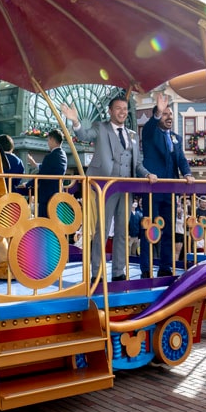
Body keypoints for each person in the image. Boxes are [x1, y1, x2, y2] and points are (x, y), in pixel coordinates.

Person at [61, 97, 156, 281]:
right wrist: (75, 121)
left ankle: (119, 272)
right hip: (106, 187)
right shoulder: (101, 127)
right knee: (102, 231)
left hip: (126, 188)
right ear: (110, 111)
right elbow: (84, 135)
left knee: (122, 231)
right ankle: (97, 273)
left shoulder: (132, 135)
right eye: (118, 108)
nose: (122, 112)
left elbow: (137, 163)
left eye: (125, 109)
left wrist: (147, 174)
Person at [139, 93, 194, 277]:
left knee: (169, 230)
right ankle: (146, 269)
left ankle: (165, 266)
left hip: (171, 192)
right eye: (165, 114)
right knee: (149, 228)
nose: (169, 117)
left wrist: (187, 174)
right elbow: (147, 129)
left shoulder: (176, 138)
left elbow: (181, 159)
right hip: (153, 189)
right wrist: (157, 113)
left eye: (170, 114)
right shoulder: (150, 134)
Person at [25, 129, 67, 217]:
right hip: (58, 193)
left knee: (44, 223)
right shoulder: (62, 154)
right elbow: (50, 169)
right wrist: (35, 164)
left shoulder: (50, 157)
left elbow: (42, 175)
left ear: (52, 139)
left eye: (48, 140)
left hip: (47, 196)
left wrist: (28, 184)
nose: (48, 143)